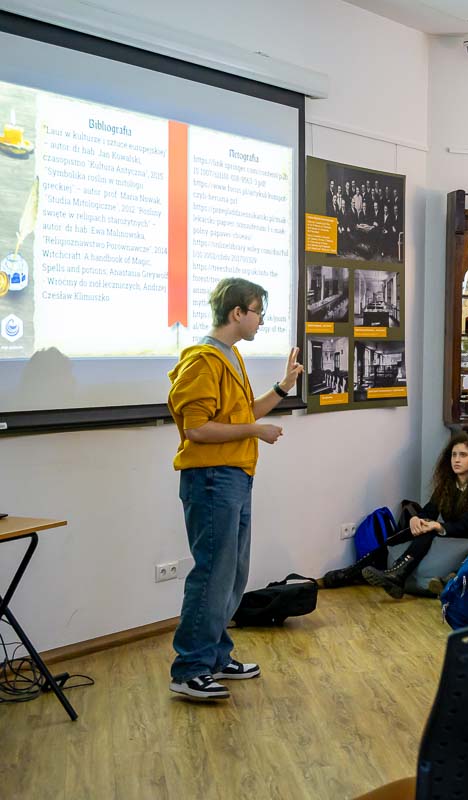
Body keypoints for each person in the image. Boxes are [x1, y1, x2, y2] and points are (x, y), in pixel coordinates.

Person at [166, 278, 302, 701]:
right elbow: (198, 429)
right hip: (211, 480)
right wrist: (256, 431)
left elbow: (242, 413)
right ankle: (189, 669)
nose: (261, 320)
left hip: (235, 477)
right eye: (257, 311)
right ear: (236, 313)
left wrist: (282, 388)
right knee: (212, 574)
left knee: (233, 574)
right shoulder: (203, 361)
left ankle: (216, 657)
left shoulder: (231, 357)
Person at [319, 433, 468, 597]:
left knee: (428, 529)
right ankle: (355, 572)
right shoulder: (447, 485)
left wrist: (439, 526)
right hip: (445, 531)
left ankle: (395, 573)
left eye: (463, 455)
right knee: (414, 529)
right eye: (453, 454)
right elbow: (430, 510)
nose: (456, 460)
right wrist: (415, 519)